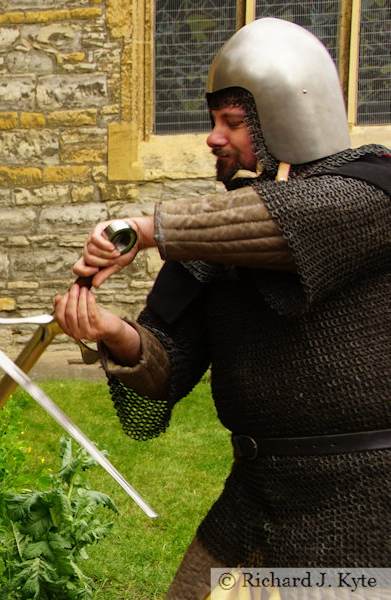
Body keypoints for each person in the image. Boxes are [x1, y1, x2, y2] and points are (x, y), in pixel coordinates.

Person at [53, 18, 390, 599]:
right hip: (258, 491)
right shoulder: (217, 234)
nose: (212, 137)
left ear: (288, 117)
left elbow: (289, 222)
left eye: (232, 123)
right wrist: (116, 335)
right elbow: (170, 369)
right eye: (215, 122)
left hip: (366, 501)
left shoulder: (371, 192)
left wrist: (148, 229)